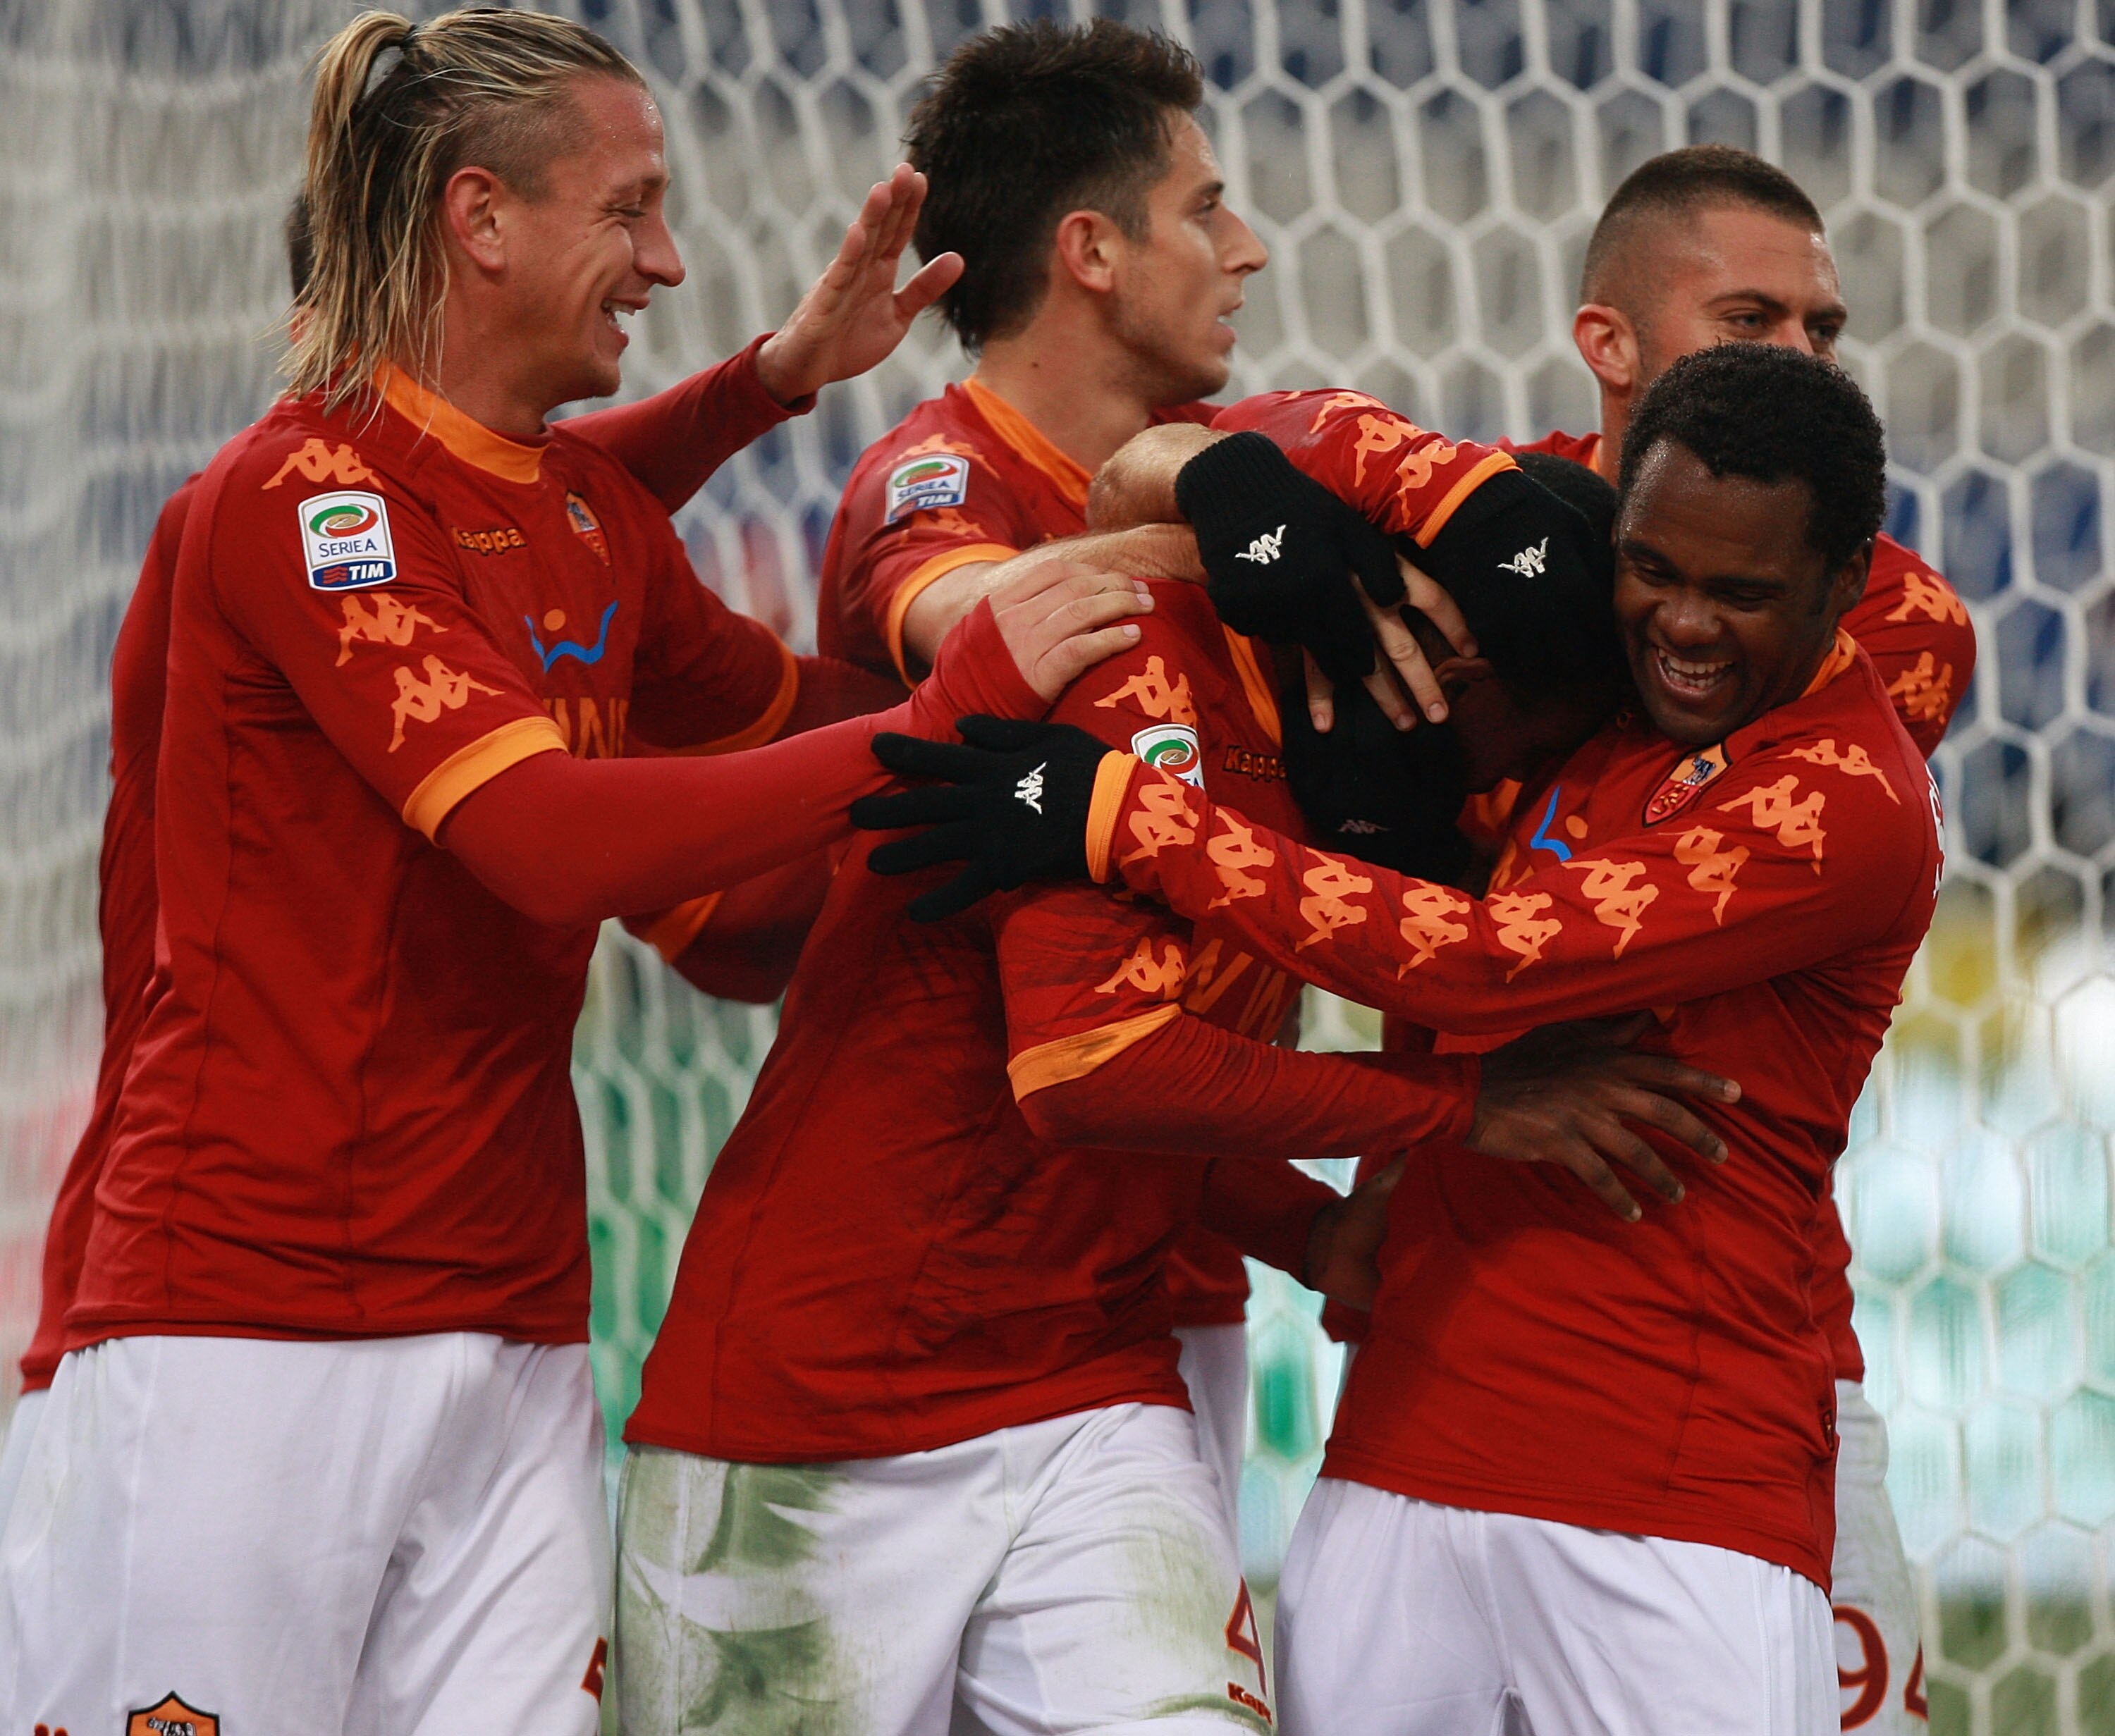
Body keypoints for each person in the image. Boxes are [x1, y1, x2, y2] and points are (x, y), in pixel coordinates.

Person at [0, 12, 1151, 1732]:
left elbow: (800, 713)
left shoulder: (578, 517)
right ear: (482, 219)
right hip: (243, 1321)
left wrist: (1144, 734)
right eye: (630, 209)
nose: (666, 259)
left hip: (521, 1322)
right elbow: (542, 842)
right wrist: (957, 713)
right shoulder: (297, 498)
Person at [858, 345, 1942, 1733]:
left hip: (1676, 1493)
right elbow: (1195, 451)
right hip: (1400, 1452)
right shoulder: (1587, 683)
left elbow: (1491, 969)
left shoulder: (1847, 799)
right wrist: (1248, 481)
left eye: (1741, 593)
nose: (1682, 622)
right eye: (1655, 571)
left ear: (1847, 578)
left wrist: (1125, 815)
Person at [619, 428, 1736, 1735]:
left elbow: (1179, 1087)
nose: (1494, 785)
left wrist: (1313, 1232)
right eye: (1512, 748)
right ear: (1451, 664)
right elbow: (1094, 1069)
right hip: (813, 1415)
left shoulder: (1335, 767)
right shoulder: (1137, 654)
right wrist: (1468, 1110)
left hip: (1095, 1391)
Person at [1509, 145, 1964, 1725]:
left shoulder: (1892, 617)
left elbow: (1560, 920)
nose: (1802, 358)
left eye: (1823, 329)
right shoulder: (1495, 519)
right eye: (1753, 316)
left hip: (1748, 1357)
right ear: (1610, 344)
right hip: (1472, 1327)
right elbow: (1271, 456)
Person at [810, 17, 1285, 1512]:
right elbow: (965, 610)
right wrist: (1235, 551)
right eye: (1206, 210)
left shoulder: (1231, 472)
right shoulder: (935, 476)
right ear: (1089, 249)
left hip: (1173, 1264)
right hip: (950, 1290)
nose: (1248, 249)